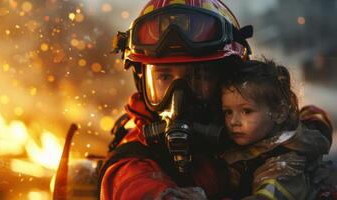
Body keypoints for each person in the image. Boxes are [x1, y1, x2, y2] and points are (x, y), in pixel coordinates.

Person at [96, 0, 334, 199]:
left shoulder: (250, 130)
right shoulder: (134, 158)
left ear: (230, 79)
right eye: (164, 76)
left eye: (199, 76)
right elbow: (131, 185)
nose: (180, 96)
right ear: (141, 81)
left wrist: (304, 134)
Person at [220, 60, 335, 199]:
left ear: (279, 113)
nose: (233, 122)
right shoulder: (256, 139)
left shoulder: (285, 163)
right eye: (228, 112)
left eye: (246, 111)